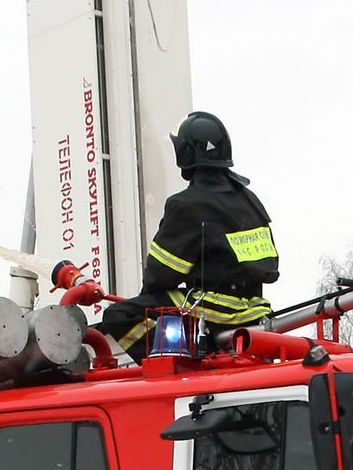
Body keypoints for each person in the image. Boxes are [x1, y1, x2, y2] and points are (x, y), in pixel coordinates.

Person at [98, 111, 279, 358]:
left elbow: (160, 276)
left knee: (119, 315)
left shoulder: (186, 205)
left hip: (215, 309)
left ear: (184, 153)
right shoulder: (250, 201)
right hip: (257, 310)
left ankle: (168, 362)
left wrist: (146, 301)